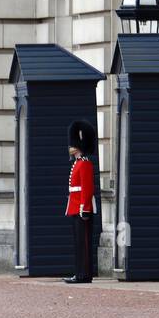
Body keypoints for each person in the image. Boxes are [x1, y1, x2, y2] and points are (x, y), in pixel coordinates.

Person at [64, 120, 96, 284]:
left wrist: (84, 208)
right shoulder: (77, 163)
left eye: (73, 144)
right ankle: (80, 273)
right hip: (75, 206)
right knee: (78, 244)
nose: (70, 146)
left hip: (82, 208)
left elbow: (87, 188)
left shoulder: (84, 164)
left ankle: (84, 275)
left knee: (83, 244)